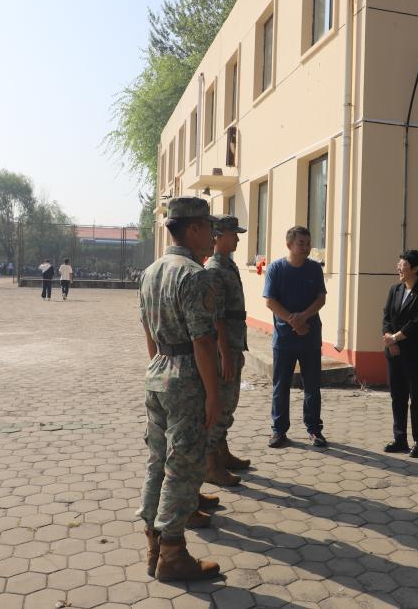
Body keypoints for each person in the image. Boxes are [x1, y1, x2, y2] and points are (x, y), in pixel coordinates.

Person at [136, 196, 222, 582]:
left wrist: (160, 367)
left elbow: (148, 331)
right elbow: (203, 340)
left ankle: (153, 542)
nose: (213, 235)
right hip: (186, 377)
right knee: (182, 465)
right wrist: (213, 394)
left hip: (158, 372)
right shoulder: (194, 274)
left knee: (158, 460)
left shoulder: (151, 271)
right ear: (193, 228)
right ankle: (172, 552)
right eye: (209, 227)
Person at [263, 226, 327, 448]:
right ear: (289, 244)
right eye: (301, 243)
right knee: (281, 386)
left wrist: (304, 318)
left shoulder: (314, 269)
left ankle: (314, 430)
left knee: (312, 386)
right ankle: (279, 430)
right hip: (284, 339)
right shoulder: (276, 269)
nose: (306, 248)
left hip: (310, 336)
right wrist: (294, 321)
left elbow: (321, 298)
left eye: (308, 243)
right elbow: (270, 301)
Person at [204, 216, 251, 487]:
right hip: (226, 347)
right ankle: (211, 465)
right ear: (218, 236)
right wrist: (224, 353)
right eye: (234, 234)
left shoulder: (227, 264)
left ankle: (222, 453)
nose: (238, 239)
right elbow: (217, 316)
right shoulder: (214, 269)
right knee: (222, 404)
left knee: (229, 404)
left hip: (234, 343)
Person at [381, 250, 418, 457]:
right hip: (394, 352)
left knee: (417, 397)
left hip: (416, 354)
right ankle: (400, 439)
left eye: (402, 265)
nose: (398, 267)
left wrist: (395, 338)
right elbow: (386, 317)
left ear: (415, 269)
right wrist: (389, 339)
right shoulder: (395, 289)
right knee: (398, 396)